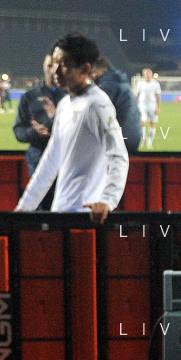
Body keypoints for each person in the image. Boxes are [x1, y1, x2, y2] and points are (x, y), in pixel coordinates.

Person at [14, 33, 129, 224]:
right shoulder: (65, 104)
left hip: (85, 215)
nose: (55, 71)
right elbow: (50, 161)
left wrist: (108, 200)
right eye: (55, 63)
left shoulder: (97, 105)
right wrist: (24, 207)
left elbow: (118, 156)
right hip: (62, 210)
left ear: (85, 69)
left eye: (64, 64)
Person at [13, 53, 66, 209]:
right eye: (49, 65)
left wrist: (55, 118)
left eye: (57, 65)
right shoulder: (29, 97)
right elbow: (18, 131)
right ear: (44, 67)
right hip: (38, 160)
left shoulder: (71, 96)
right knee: (42, 209)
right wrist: (33, 132)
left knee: (65, 208)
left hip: (65, 161)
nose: (53, 70)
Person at [91, 57, 142, 154]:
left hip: (120, 141)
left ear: (101, 70)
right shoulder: (121, 82)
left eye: (94, 72)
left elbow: (97, 114)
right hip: (133, 137)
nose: (92, 75)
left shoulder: (107, 86)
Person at [134, 68, 161, 149]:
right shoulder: (140, 83)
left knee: (152, 123)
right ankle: (143, 138)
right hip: (142, 106)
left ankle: (150, 143)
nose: (147, 75)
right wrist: (134, 104)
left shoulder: (155, 84)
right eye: (146, 74)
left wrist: (158, 107)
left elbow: (158, 96)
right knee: (141, 123)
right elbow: (137, 95)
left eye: (148, 73)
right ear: (144, 75)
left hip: (152, 106)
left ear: (151, 74)